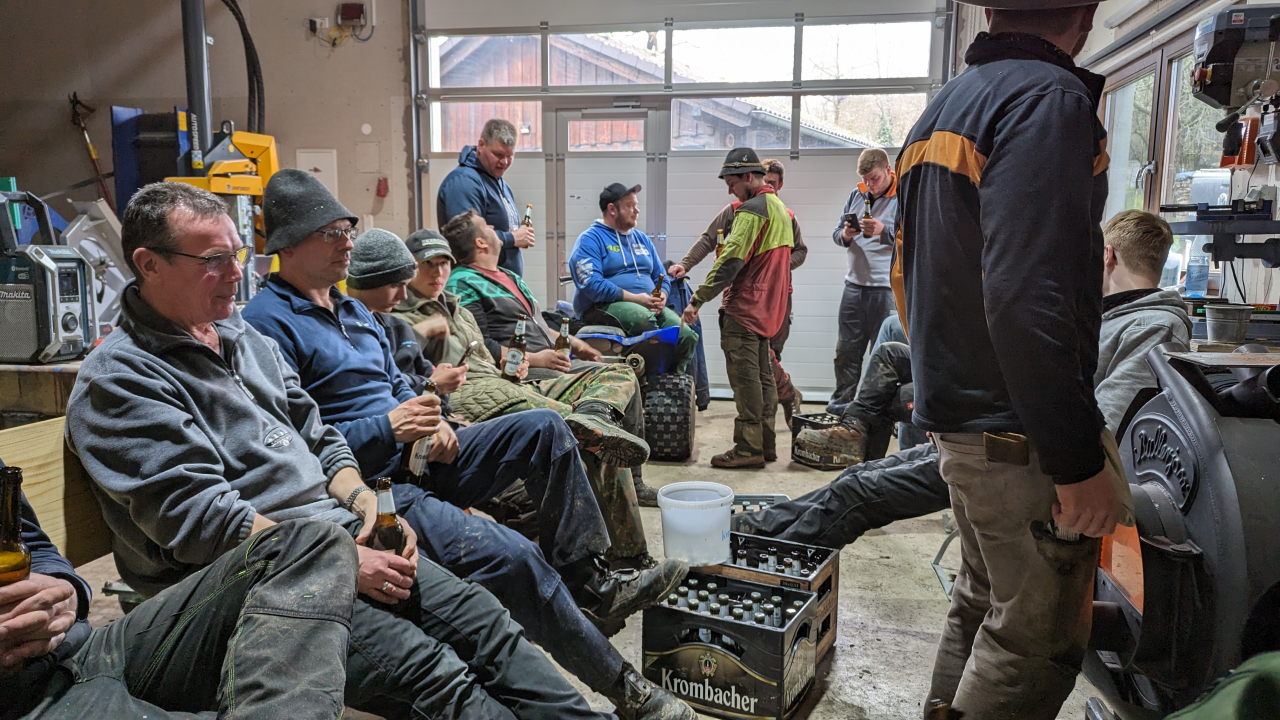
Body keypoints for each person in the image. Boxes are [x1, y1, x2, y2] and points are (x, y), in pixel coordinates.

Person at [65, 181, 609, 718]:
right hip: (255, 574)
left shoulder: (242, 337)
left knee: (488, 625)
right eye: (214, 260)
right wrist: (340, 557)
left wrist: (368, 504)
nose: (235, 273)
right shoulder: (123, 378)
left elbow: (319, 435)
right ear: (150, 264)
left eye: (237, 254)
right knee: (438, 675)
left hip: (336, 530)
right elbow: (202, 520)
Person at [243, 170, 692, 720]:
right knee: (516, 556)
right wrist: (389, 428)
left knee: (545, 429)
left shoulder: (355, 311)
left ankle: (591, 583)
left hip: (420, 452)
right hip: (374, 488)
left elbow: (402, 384)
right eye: (331, 233)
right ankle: (626, 690)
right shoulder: (265, 326)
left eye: (347, 230)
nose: (347, 243)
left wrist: (435, 415)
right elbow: (298, 448)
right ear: (288, 245)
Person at [893, 3, 1124, 717]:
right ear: (1087, 15)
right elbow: (1028, 295)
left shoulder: (947, 106)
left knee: (984, 602)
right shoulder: (1047, 99)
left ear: (989, 11)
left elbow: (909, 277)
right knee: (1033, 639)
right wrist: (1075, 460)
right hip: (1015, 428)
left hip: (965, 420)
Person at [738, 210, 1190, 554]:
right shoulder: (1108, 315)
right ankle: (755, 525)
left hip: (1018, 461)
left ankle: (752, 548)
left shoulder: (1152, 326)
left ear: (1107, 255)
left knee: (861, 493)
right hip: (995, 436)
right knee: (859, 475)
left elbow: (1103, 423)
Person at [349, 224, 655, 563]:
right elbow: (398, 381)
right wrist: (430, 361)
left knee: (615, 383)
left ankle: (595, 419)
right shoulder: (394, 316)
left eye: (443, 263)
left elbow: (491, 351)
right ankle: (622, 560)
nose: (437, 272)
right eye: (427, 265)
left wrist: (519, 363)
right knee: (576, 434)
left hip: (504, 384)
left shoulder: (459, 308)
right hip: (470, 395)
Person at [2, 482, 357, 720]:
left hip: (80, 648)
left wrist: (64, 590)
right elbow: (192, 514)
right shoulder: (125, 390)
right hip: (22, 696)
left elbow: (33, 543)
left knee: (313, 542)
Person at [438, 211, 664, 506]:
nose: (496, 228)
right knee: (602, 394)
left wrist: (576, 344)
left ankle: (628, 473)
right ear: (481, 242)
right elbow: (481, 347)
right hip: (522, 372)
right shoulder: (463, 282)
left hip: (551, 360)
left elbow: (539, 325)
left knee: (625, 376)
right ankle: (596, 449)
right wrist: (537, 359)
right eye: (488, 226)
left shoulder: (508, 276)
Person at [680, 147, 794, 468]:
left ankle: (747, 448)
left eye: (732, 183)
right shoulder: (778, 208)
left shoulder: (752, 210)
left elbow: (730, 260)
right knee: (763, 378)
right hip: (767, 310)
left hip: (745, 309)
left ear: (749, 176)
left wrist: (698, 299)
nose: (730, 190)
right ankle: (766, 444)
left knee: (746, 382)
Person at [569, 183, 699, 373]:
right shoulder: (590, 239)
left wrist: (662, 295)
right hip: (603, 305)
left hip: (648, 304)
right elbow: (592, 284)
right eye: (629, 206)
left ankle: (671, 382)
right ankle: (645, 376)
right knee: (646, 323)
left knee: (685, 335)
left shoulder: (641, 239)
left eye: (636, 205)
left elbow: (660, 276)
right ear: (612, 209)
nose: (636, 211)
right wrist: (637, 299)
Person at [828, 147, 899, 416]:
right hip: (853, 287)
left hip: (885, 289)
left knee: (881, 356)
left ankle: (874, 415)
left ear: (888, 170)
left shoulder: (903, 196)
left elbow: (914, 238)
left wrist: (884, 231)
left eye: (875, 178)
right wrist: (846, 235)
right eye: (865, 180)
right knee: (846, 352)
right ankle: (841, 411)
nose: (870, 185)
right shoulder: (856, 195)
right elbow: (836, 234)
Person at [436, 118, 535, 275]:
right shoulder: (464, 183)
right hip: (477, 282)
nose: (504, 162)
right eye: (498, 154)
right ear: (481, 145)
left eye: (510, 156)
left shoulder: (500, 183)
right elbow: (465, 238)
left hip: (498, 282)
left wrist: (517, 235)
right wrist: (512, 238)